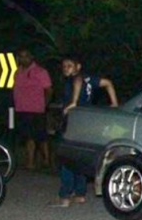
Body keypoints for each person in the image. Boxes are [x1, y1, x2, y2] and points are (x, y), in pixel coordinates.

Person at [50, 54, 118, 207]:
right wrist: (114, 103)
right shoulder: (90, 79)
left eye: (69, 66)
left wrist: (73, 102)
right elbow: (108, 83)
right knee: (80, 156)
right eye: (64, 67)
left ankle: (65, 196)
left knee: (66, 157)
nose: (65, 69)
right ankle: (80, 194)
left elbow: (78, 81)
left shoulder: (77, 78)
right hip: (87, 121)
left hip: (74, 121)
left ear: (77, 66)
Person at [12, 47, 52, 170]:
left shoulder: (40, 72)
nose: (24, 59)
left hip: (36, 109)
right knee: (28, 136)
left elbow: (49, 89)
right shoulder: (17, 72)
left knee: (40, 137)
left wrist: (44, 104)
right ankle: (32, 161)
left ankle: (43, 160)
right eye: (21, 56)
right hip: (21, 109)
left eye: (26, 56)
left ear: (31, 57)